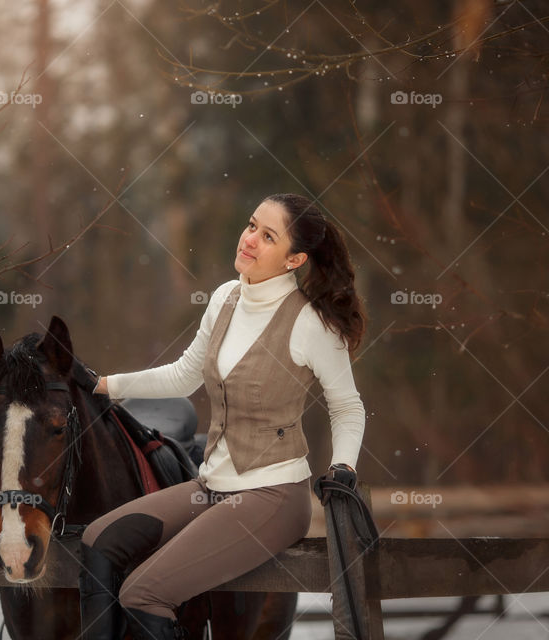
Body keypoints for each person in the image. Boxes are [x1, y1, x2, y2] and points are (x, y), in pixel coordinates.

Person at [79, 192, 368, 640]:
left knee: (143, 593)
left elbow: (347, 406)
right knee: (99, 540)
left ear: (295, 260)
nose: (250, 239)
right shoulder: (225, 299)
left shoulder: (311, 324)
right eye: (252, 225)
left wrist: (343, 466)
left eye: (268, 236)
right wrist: (103, 385)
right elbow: (183, 376)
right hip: (210, 485)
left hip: (272, 495)